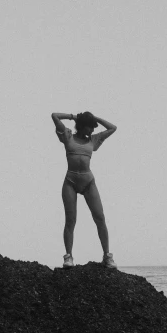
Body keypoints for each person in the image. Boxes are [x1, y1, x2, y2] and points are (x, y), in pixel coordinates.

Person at [51, 110, 117, 268]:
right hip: (70, 181)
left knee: (99, 217)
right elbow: (54, 116)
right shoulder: (67, 136)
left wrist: (95, 118)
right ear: (81, 126)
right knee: (70, 220)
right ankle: (68, 257)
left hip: (88, 182)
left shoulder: (93, 140)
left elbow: (112, 128)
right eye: (90, 127)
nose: (92, 130)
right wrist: (74, 117)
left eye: (93, 127)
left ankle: (107, 256)